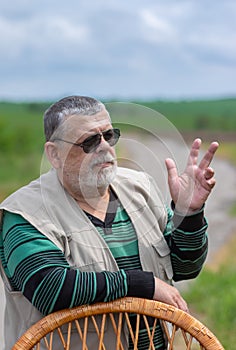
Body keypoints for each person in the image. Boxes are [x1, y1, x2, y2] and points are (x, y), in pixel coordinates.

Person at [0, 95, 219, 349]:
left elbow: (184, 267)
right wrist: (142, 284)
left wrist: (189, 213)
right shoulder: (24, 213)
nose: (104, 147)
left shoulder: (140, 188)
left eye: (109, 135)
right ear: (54, 154)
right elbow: (50, 289)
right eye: (90, 141)